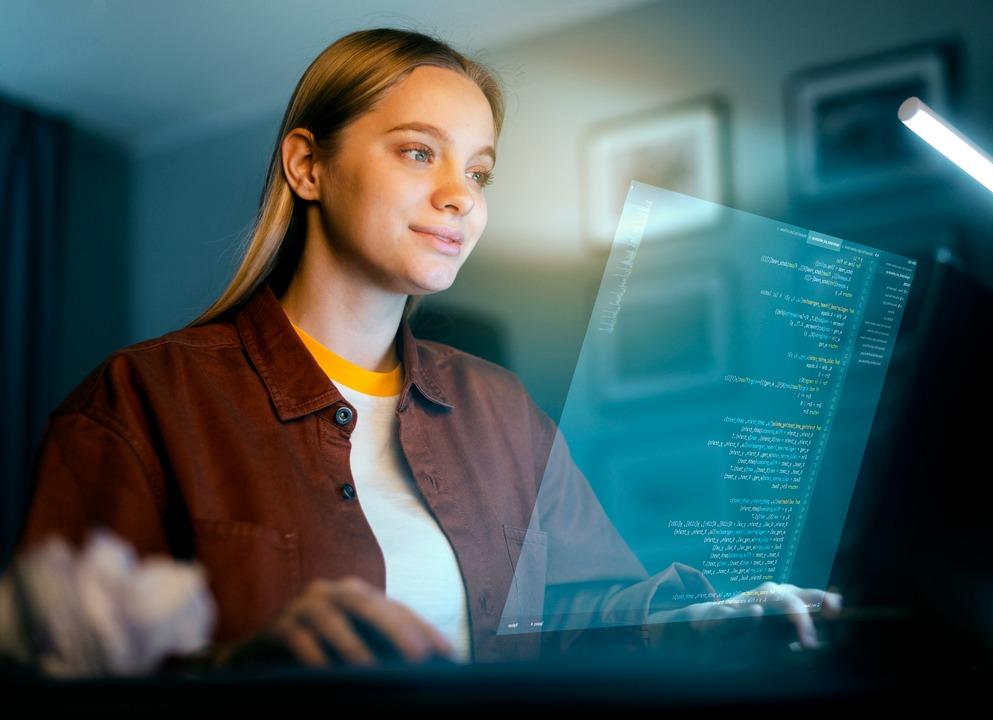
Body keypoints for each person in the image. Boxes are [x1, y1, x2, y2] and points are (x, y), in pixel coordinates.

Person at [15, 28, 839, 671]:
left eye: (479, 172)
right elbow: (57, 674)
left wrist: (696, 626)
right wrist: (243, 672)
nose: (460, 196)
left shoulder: (502, 409)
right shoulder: (143, 399)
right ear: (308, 166)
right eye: (419, 152)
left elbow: (586, 617)